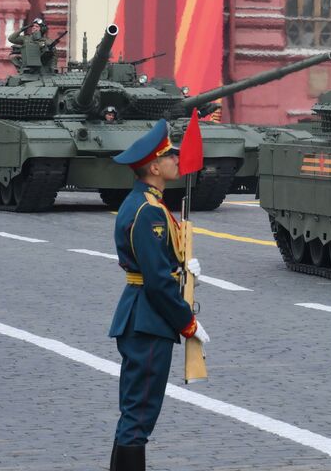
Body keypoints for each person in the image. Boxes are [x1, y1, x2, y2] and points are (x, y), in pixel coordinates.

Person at [108, 119, 208, 471]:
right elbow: (156, 281)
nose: (177, 160)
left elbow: (158, 264)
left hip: (141, 316)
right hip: (148, 320)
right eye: (170, 156)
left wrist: (181, 261)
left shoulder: (147, 203)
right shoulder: (148, 210)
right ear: (154, 167)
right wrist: (187, 322)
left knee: (136, 411)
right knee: (139, 415)